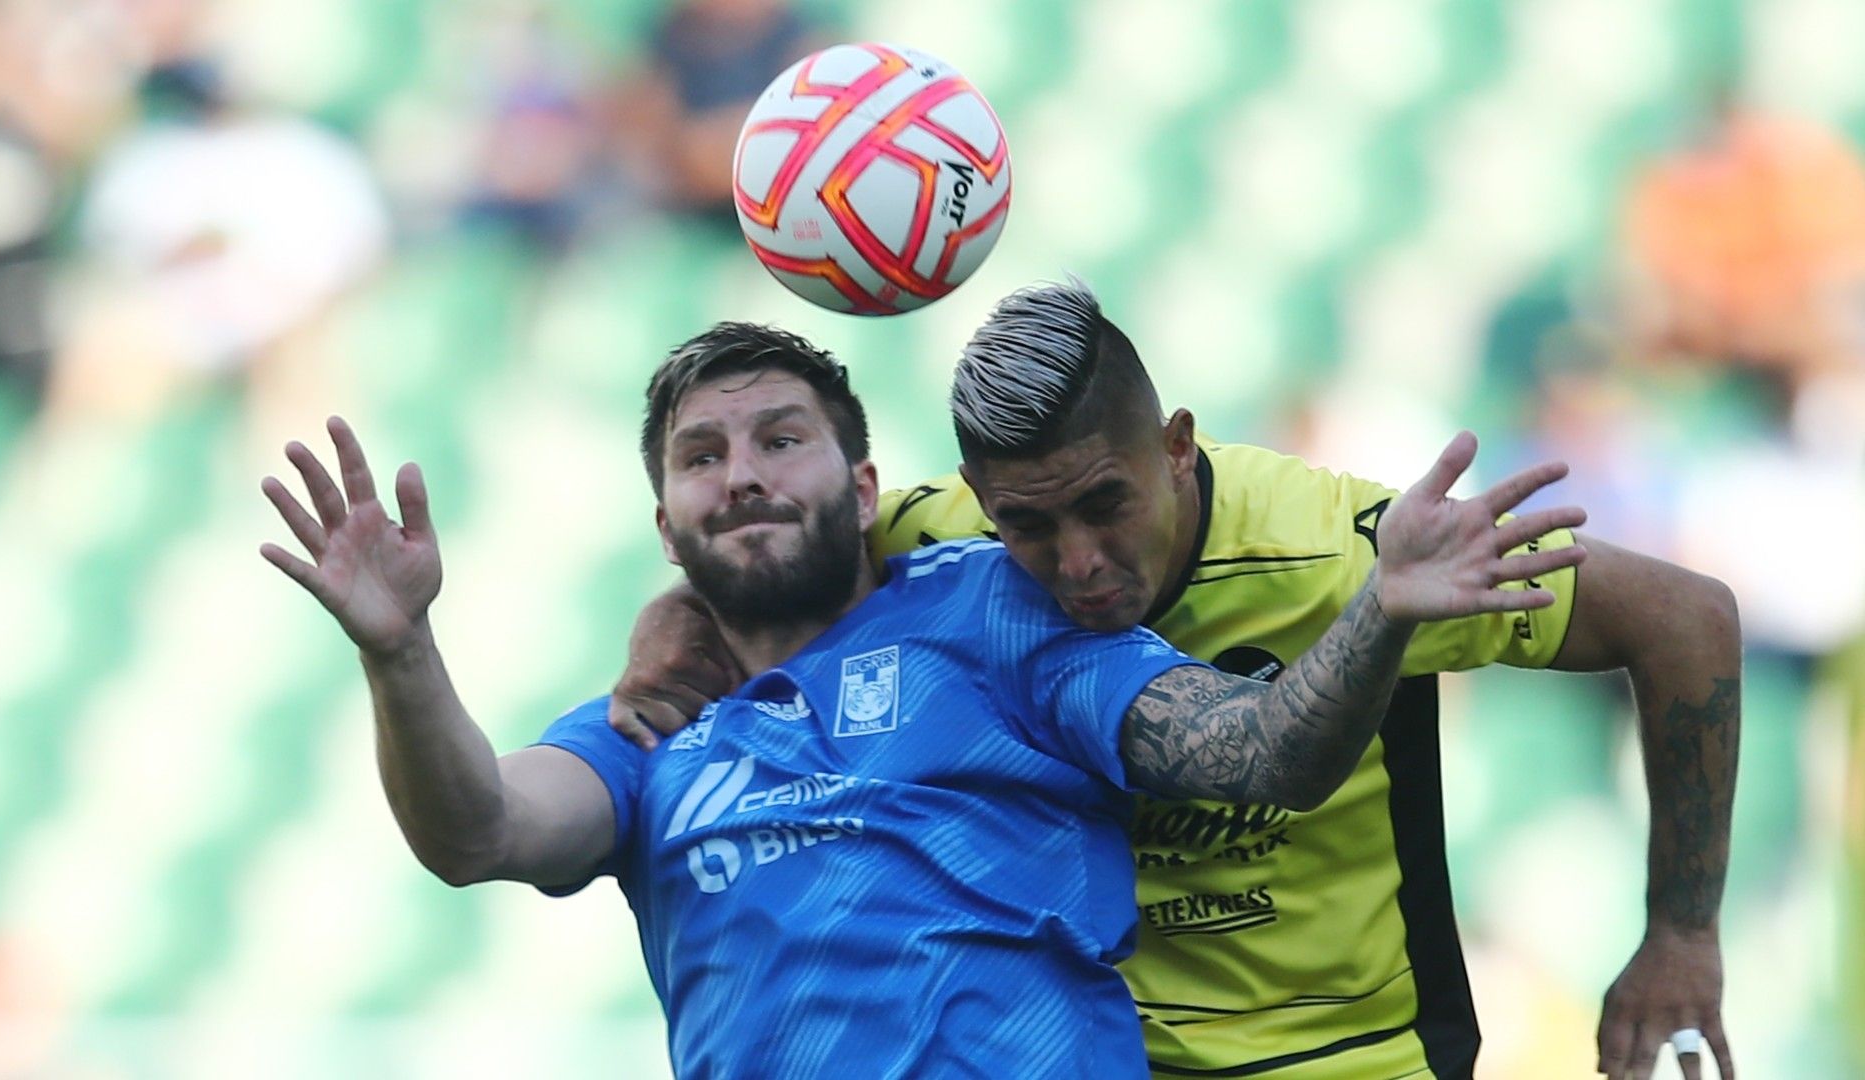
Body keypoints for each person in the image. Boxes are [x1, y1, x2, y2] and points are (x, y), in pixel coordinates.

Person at [259, 321, 1583, 1078]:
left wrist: (1381, 607)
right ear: (665, 522)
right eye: (702, 457)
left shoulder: (999, 613)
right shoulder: (651, 726)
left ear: (865, 478)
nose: (745, 474)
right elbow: (480, 832)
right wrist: (398, 652)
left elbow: (1256, 755)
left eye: (783, 437)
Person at [611, 285, 1741, 1080]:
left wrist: (1680, 931)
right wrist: (677, 617)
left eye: (1107, 504)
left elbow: (1689, 619)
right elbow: (776, 555)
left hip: (1346, 1059)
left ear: (1177, 447)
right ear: (977, 497)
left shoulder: (1341, 546)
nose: (1079, 564)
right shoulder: (941, 547)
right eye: (1031, 527)